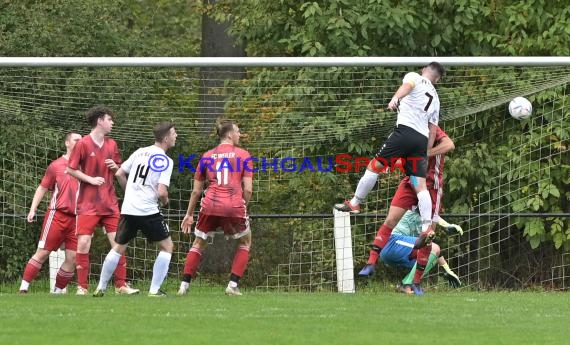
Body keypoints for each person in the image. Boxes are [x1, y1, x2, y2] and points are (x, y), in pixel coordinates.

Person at [335, 62, 445, 248]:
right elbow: (433, 130)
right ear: (438, 79)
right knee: (420, 185)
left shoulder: (415, 77)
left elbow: (406, 86)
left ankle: (355, 202)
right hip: (421, 140)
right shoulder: (435, 98)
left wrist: (395, 98)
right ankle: (426, 227)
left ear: (424, 70)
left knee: (374, 166)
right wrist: (424, 152)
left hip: (404, 133)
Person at [358, 125, 455, 288]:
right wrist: (386, 163)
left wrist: (426, 154)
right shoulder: (406, 128)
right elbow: (402, 160)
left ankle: (411, 283)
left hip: (431, 186)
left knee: (428, 238)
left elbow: (449, 145)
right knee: (390, 220)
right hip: (411, 181)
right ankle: (371, 263)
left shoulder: (430, 127)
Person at [93, 122, 177, 297]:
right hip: (148, 211)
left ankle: (100, 288)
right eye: (174, 133)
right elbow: (162, 191)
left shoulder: (139, 152)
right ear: (166, 138)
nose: (176, 136)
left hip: (129, 208)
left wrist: (129, 192)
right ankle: (154, 291)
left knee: (118, 248)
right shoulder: (165, 160)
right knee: (167, 247)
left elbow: (119, 173)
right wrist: (165, 201)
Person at [67, 106, 139, 295]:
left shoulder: (112, 144)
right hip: (87, 204)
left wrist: (116, 168)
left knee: (119, 242)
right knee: (83, 243)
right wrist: (91, 179)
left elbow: (120, 173)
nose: (112, 123)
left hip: (109, 203)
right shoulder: (82, 144)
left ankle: (120, 285)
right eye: (109, 119)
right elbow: (71, 169)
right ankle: (82, 287)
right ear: (100, 121)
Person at [178, 120, 253, 296]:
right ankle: (232, 285)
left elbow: (196, 191)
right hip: (233, 205)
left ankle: (184, 286)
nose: (240, 134)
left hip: (210, 204)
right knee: (245, 241)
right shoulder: (243, 155)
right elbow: (248, 189)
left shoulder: (206, 156)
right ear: (229, 134)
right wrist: (243, 207)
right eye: (238, 131)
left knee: (198, 243)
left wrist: (189, 214)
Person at [19, 132, 82, 294]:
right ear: (67, 143)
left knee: (72, 258)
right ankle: (24, 288)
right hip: (57, 215)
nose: (80, 142)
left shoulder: (86, 167)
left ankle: (57, 292)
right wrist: (33, 209)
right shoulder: (56, 165)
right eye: (77, 140)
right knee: (43, 252)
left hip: (79, 219)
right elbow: (42, 187)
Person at [381, 209, 463, 295]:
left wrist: (448, 270)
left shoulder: (425, 220)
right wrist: (447, 225)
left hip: (396, 248)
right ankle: (407, 284)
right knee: (431, 248)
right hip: (392, 242)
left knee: (431, 255)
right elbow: (424, 211)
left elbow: (434, 249)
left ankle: (406, 285)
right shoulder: (418, 211)